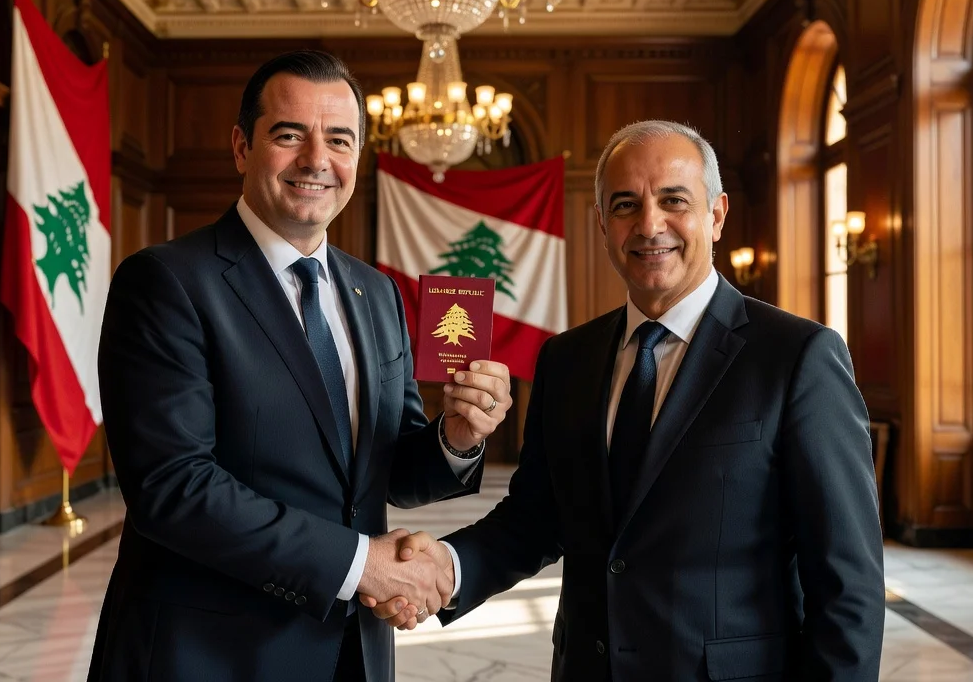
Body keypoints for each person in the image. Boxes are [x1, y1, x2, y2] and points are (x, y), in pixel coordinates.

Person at [371, 120, 884, 681]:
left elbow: (848, 586)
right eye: (625, 205)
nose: (649, 224)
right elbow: (536, 519)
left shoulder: (797, 357)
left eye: (674, 200)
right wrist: (445, 569)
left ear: (716, 215)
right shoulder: (566, 359)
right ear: (602, 223)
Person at [87, 50, 513, 682]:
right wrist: (363, 565)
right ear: (241, 147)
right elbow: (173, 487)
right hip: (209, 653)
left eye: (339, 139)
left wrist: (457, 437)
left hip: (355, 651)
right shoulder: (166, 282)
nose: (317, 160)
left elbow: (390, 472)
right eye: (290, 135)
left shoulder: (377, 293)